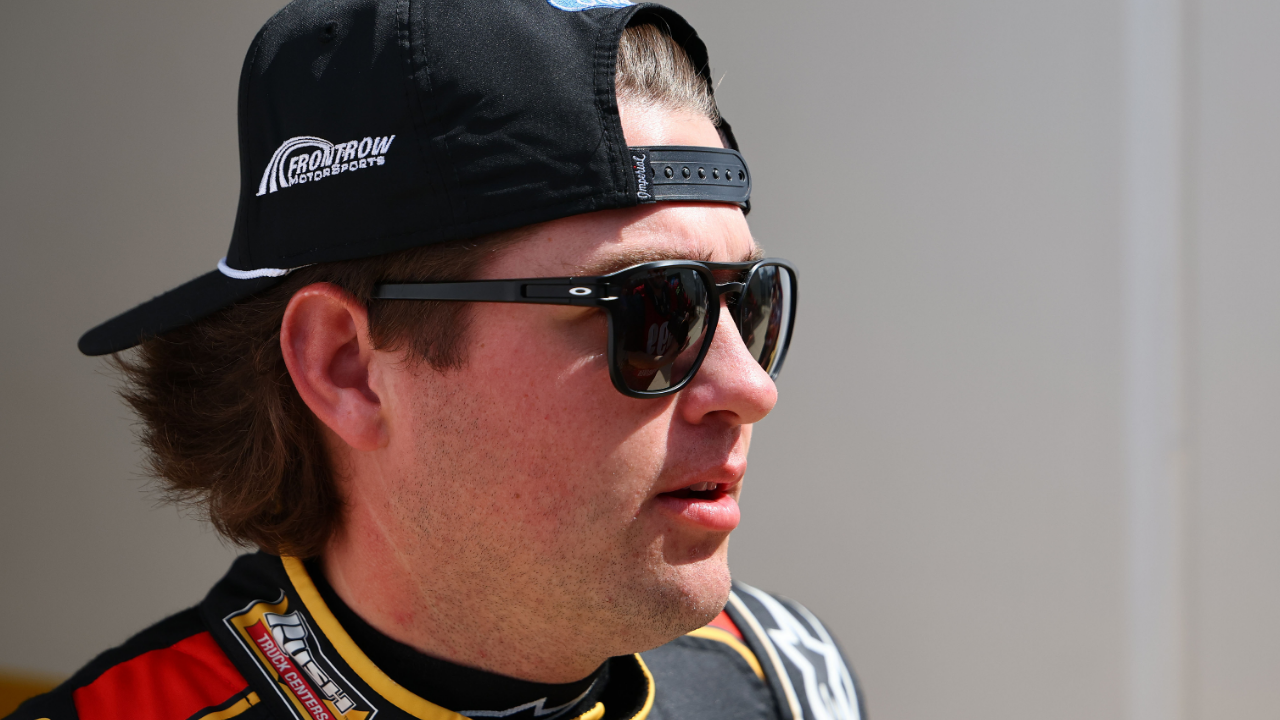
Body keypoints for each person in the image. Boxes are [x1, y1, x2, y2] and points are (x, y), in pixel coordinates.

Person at [8, 1, 862, 719]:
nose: (750, 388)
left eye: (747, 304)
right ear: (347, 367)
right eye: (654, 311)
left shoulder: (785, 679)